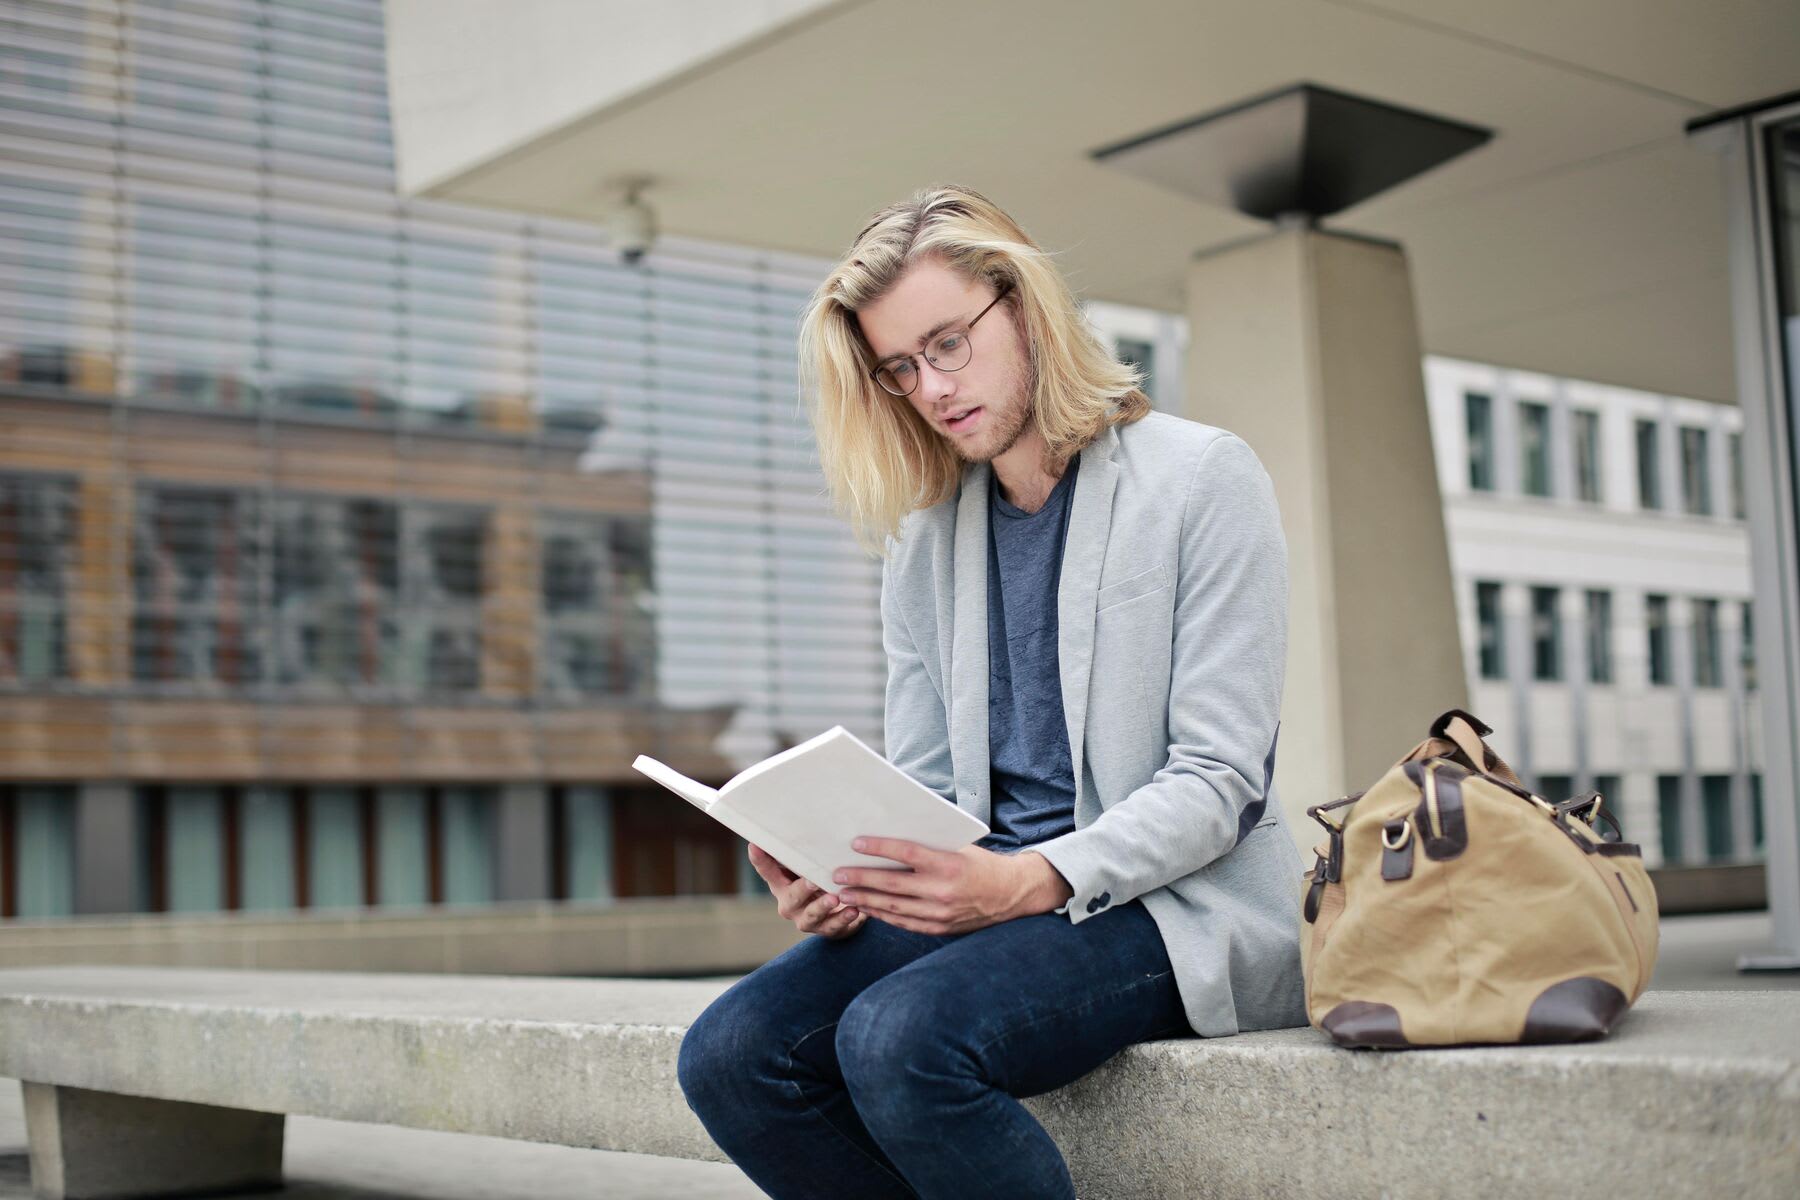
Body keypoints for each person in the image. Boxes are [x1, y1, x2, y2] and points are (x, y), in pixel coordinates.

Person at [676, 183, 1306, 1200]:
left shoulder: (1201, 478)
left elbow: (1220, 782)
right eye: (899, 368)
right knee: (732, 1056)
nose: (929, 387)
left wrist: (1030, 880)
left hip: (1169, 905)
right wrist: (847, 871)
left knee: (899, 1041)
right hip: (987, 901)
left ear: (1022, 306)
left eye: (948, 344)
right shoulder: (925, 541)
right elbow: (928, 788)